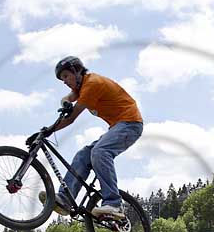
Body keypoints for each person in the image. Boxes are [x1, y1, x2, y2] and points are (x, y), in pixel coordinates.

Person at [39, 56, 143, 219]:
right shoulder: (81, 88)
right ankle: (65, 199)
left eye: (66, 76)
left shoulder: (92, 84)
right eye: (62, 79)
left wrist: (49, 130)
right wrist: (65, 101)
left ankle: (114, 203)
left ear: (76, 71)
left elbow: (72, 118)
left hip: (130, 124)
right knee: (83, 155)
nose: (64, 81)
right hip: (117, 126)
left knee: (100, 152)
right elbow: (69, 97)